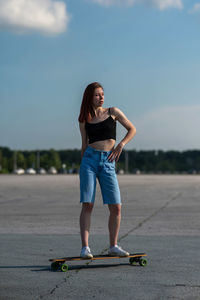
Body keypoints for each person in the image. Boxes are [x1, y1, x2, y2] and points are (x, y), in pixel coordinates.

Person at [78, 82, 136, 258]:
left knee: (116, 206)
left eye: (102, 94)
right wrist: (82, 167)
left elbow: (132, 129)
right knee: (88, 204)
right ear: (90, 97)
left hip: (108, 161)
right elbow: (83, 144)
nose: (101, 97)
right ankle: (85, 248)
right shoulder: (84, 118)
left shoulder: (113, 112)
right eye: (97, 94)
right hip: (89, 161)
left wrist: (121, 145)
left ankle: (113, 246)